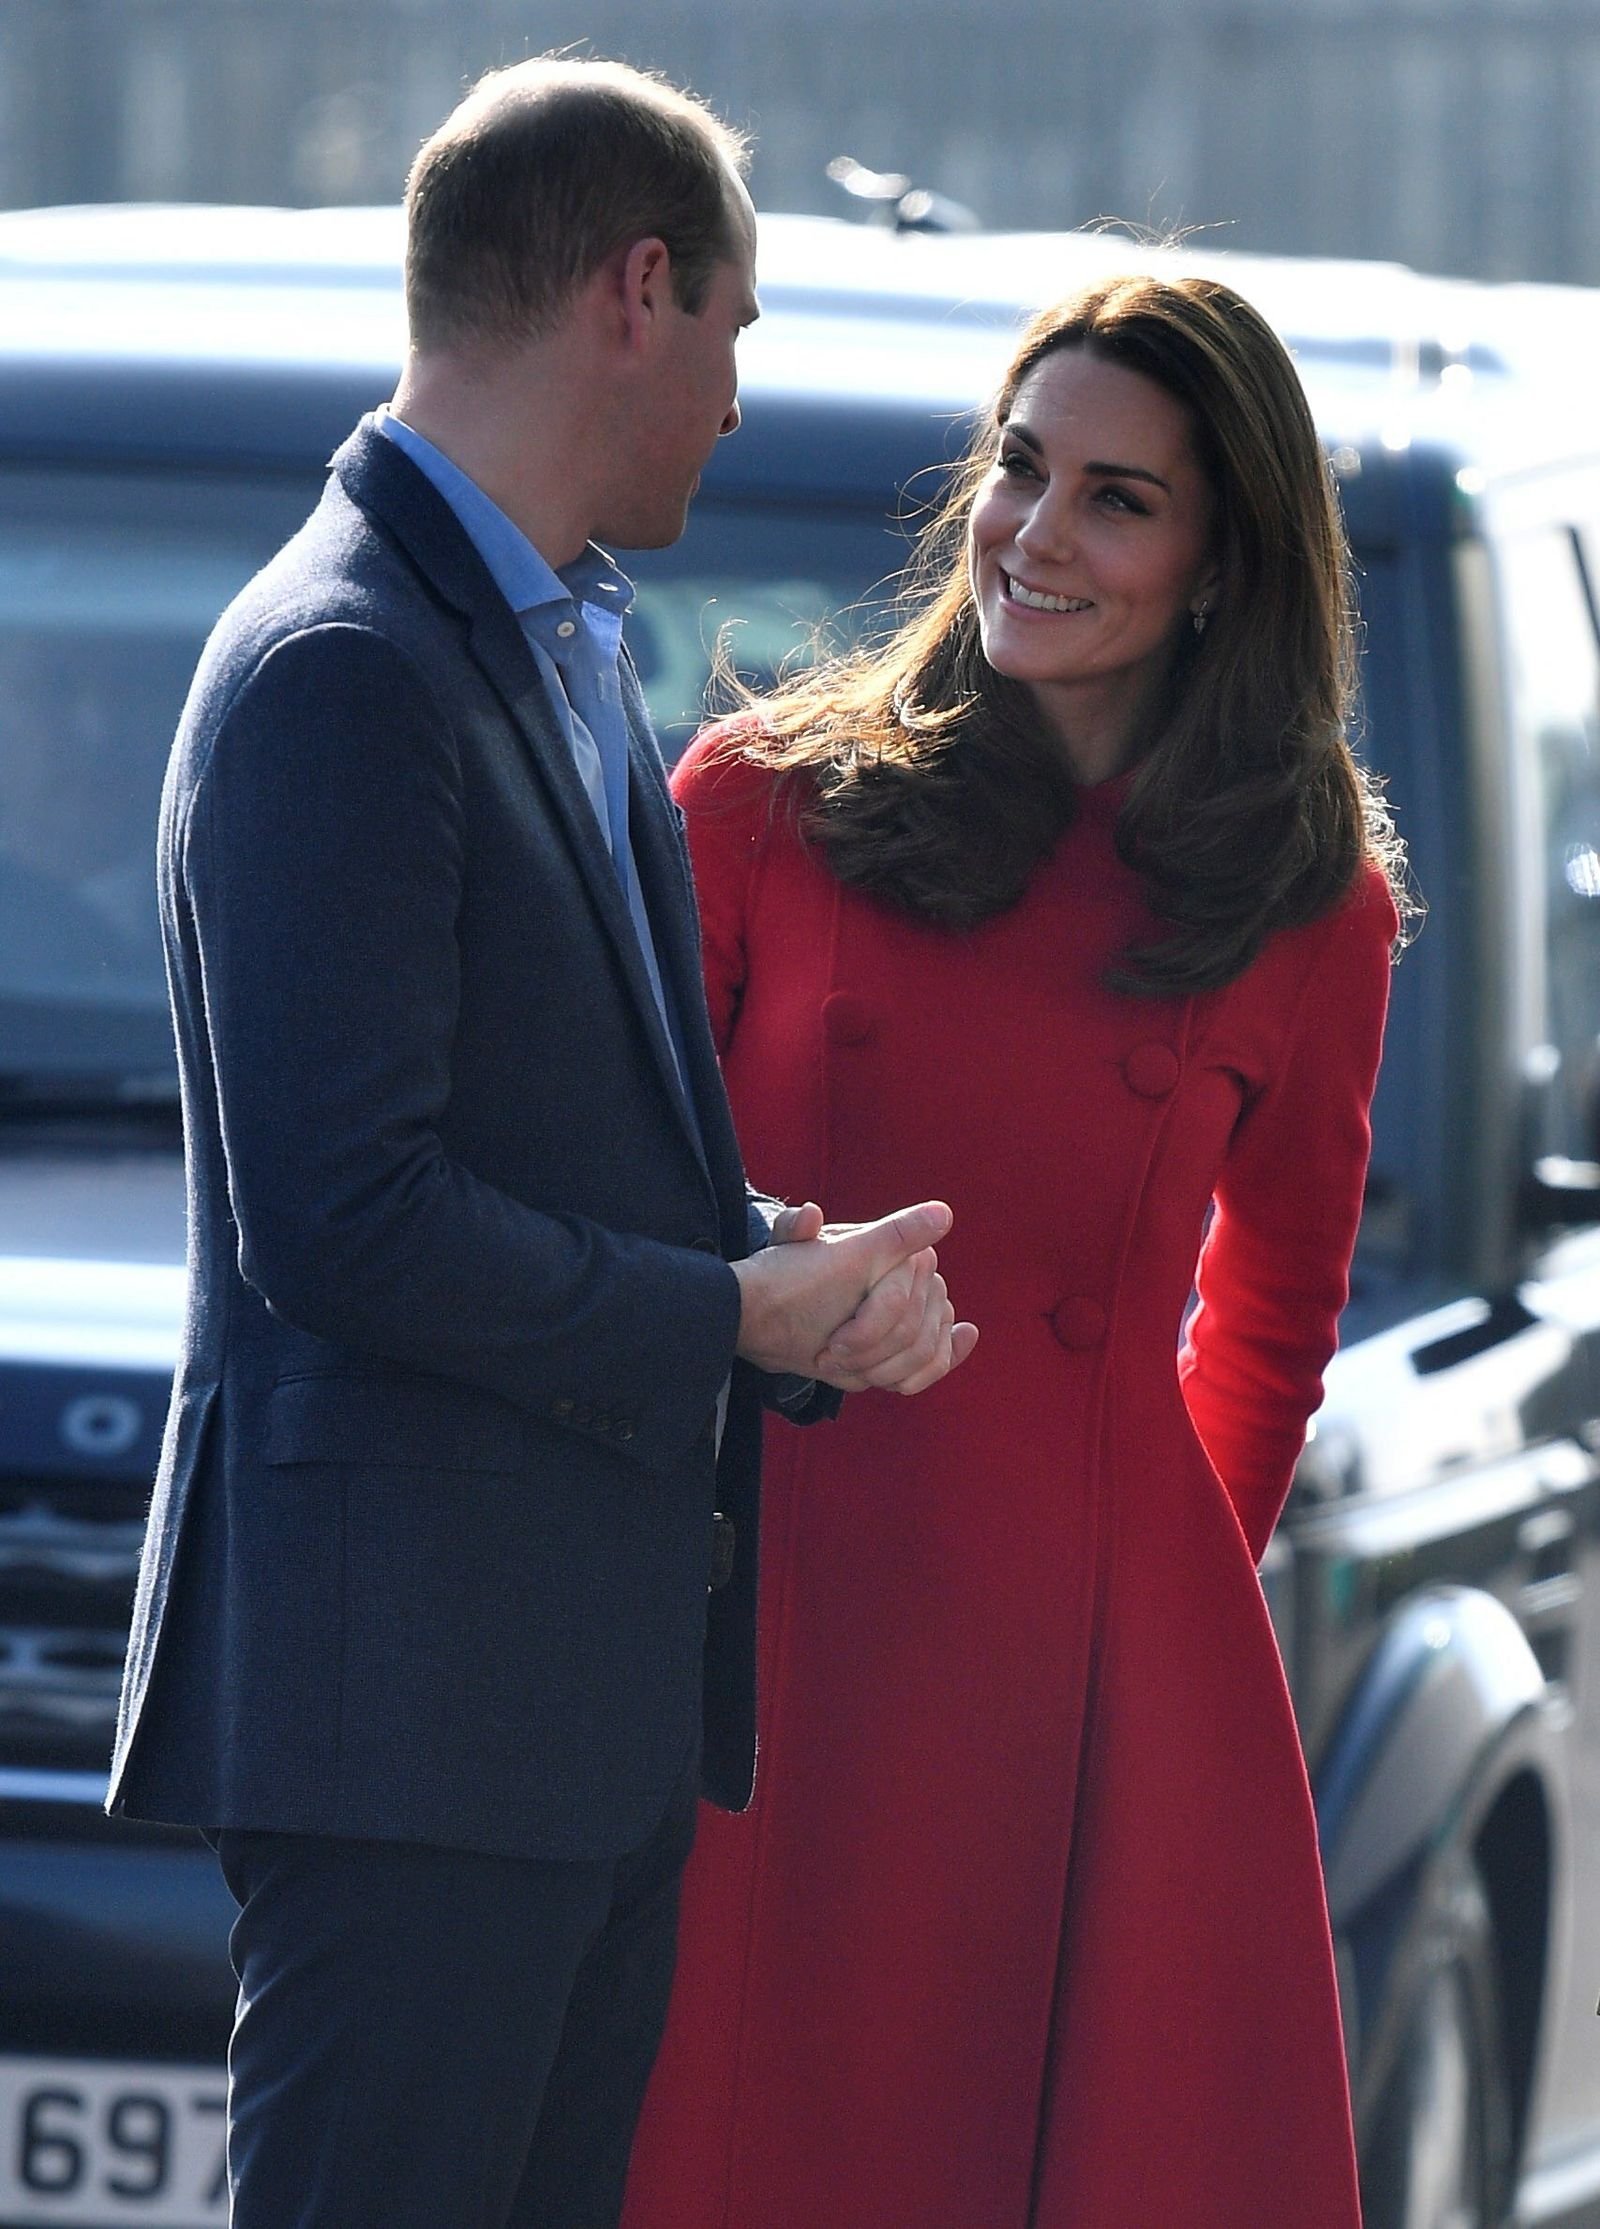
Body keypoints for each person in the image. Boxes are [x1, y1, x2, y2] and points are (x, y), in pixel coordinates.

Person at [105, 56, 974, 2229]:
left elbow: (522, 1137)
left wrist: (770, 1265)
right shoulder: (343, 661)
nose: (742, 400)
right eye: (739, 336)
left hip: (553, 1720)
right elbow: (346, 1215)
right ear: (637, 290)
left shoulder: (547, 635)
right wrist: (724, 1304)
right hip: (409, 1729)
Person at [622, 271, 1409, 2229]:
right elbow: (606, 1186)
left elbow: (1274, 1312)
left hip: (1082, 1659)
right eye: (1016, 465)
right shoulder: (757, 804)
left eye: (1113, 498)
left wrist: (1131, 1631)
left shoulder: (1309, 899)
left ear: (1223, 562)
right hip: (755, 1609)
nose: (1031, 532)